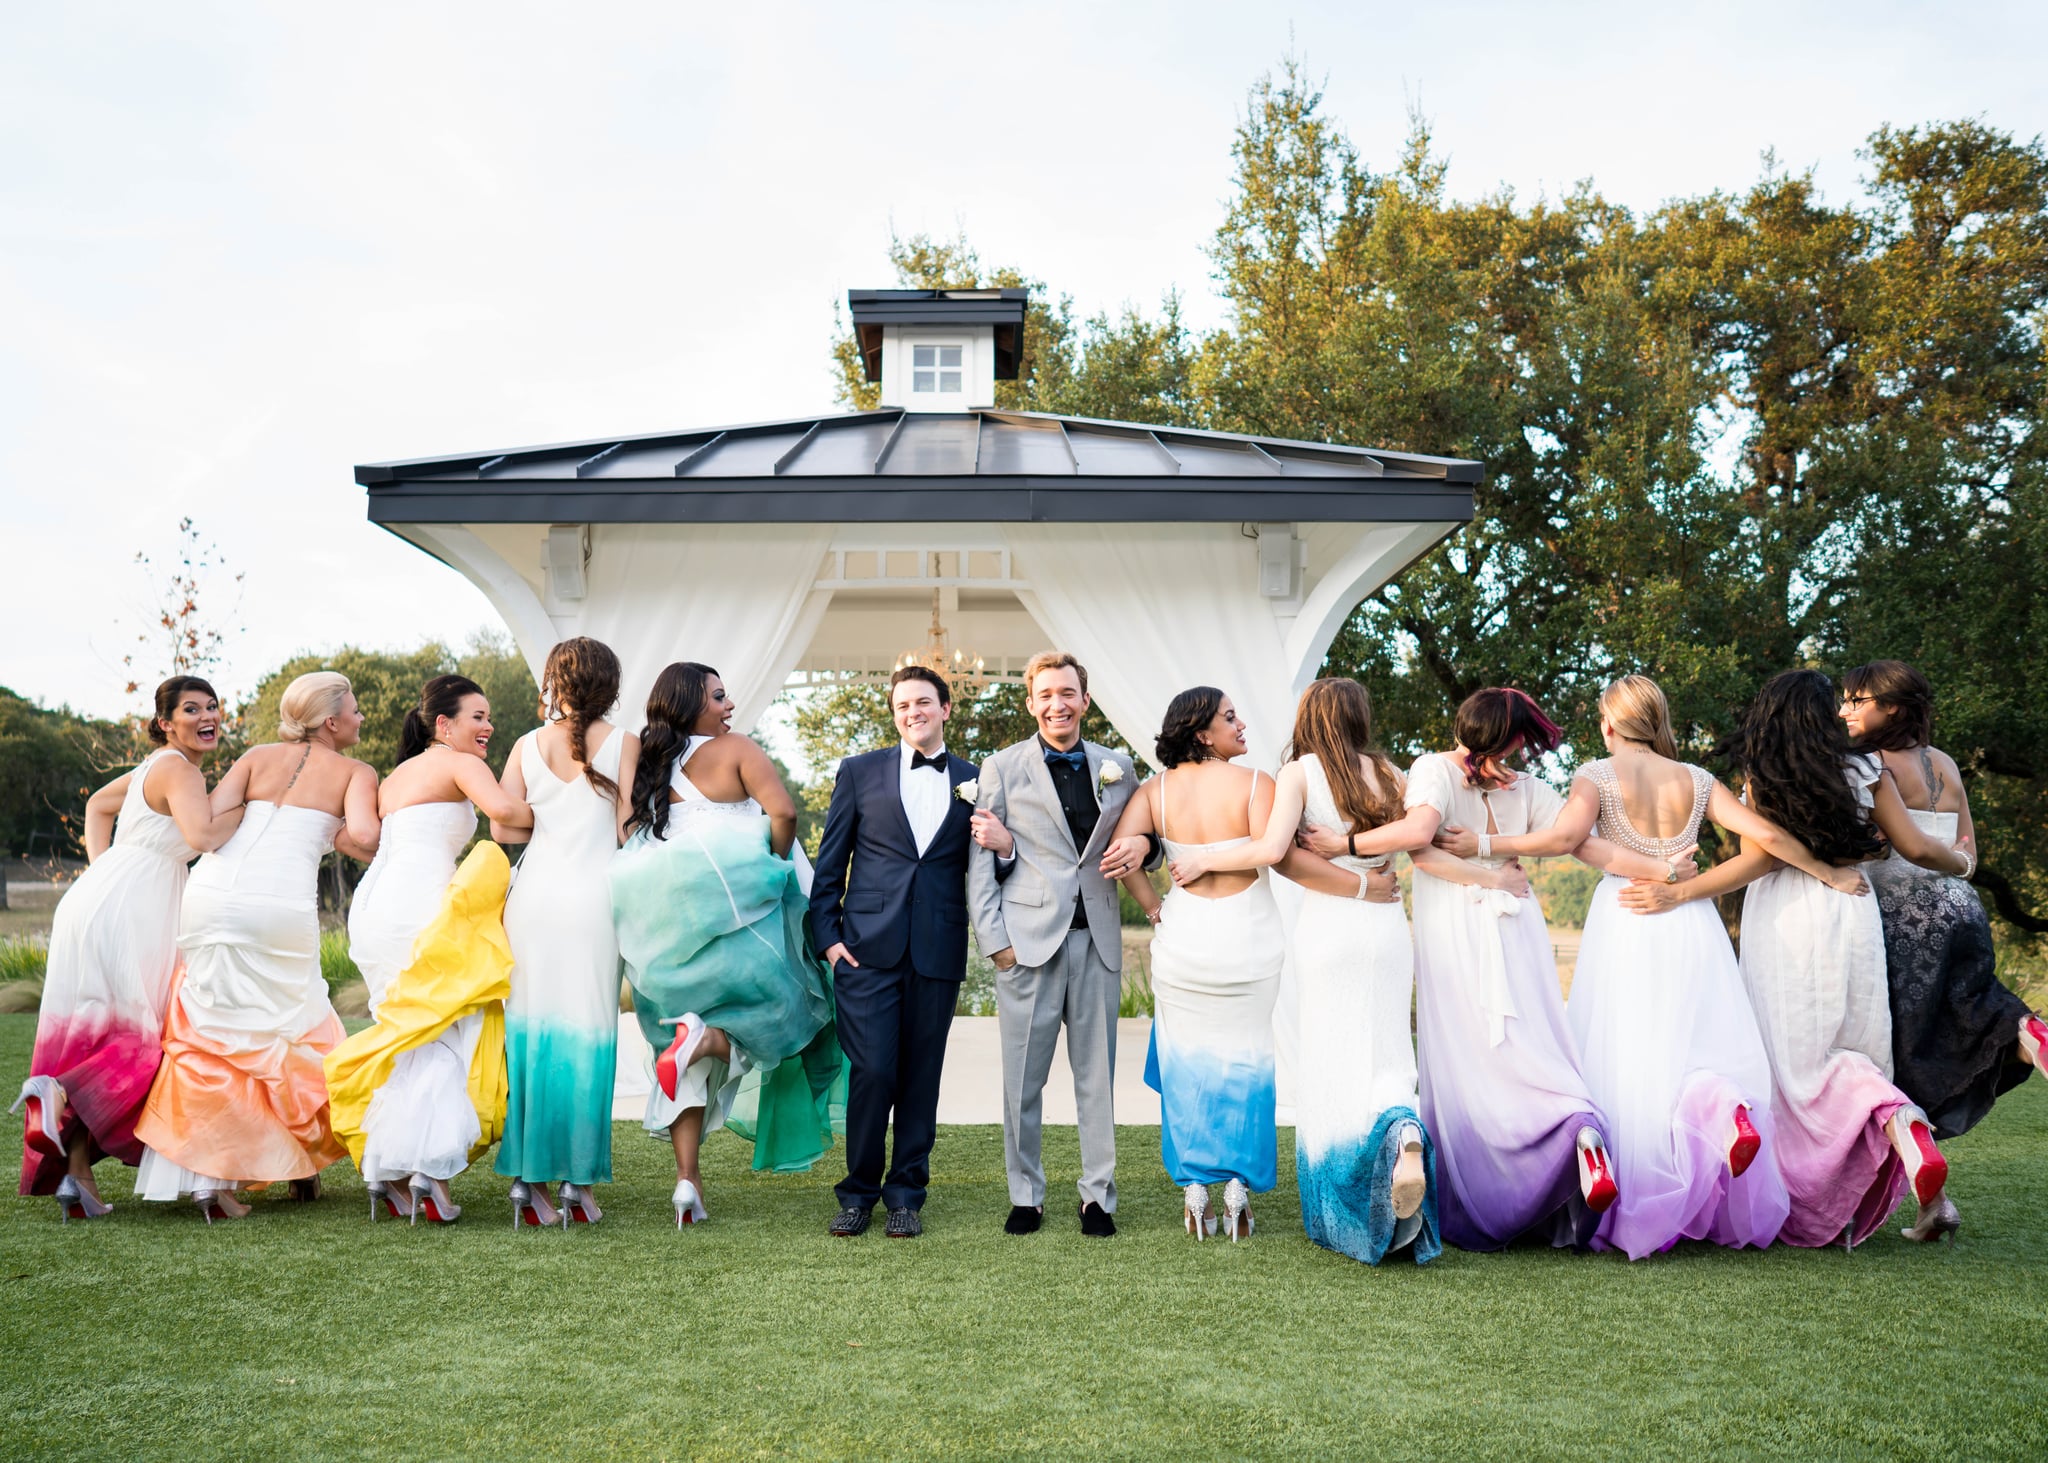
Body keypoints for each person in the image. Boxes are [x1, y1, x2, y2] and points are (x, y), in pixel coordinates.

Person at [1432, 676, 1807, 1258]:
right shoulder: (1699, 780)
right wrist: (1827, 871)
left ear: (1609, 724)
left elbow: (1564, 838)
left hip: (1626, 915)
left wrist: (1481, 845)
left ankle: (1628, 1196)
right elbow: (1765, 838)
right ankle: (1726, 1111)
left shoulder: (1598, 774)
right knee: (1693, 1044)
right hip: (1692, 921)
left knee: (1629, 1054)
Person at [1620, 669, 1974, 1246]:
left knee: (1791, 1067)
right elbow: (1912, 846)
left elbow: (1760, 861)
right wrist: (1961, 864)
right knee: (1852, 1046)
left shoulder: (1764, 777)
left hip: (1785, 921)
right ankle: (1900, 1121)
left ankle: (1815, 1192)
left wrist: (1680, 891)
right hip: (1852, 909)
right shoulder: (1867, 770)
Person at [1333, 688, 1626, 1251]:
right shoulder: (1532, 788)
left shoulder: (1433, 771)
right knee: (1531, 1042)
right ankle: (1577, 1128)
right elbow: (1568, 840)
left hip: (1459, 926)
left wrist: (1485, 867)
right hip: (1519, 923)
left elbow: (1422, 854)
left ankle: (1484, 1194)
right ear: (1515, 738)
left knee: (1467, 1059)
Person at [1162, 678, 1440, 1263]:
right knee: (1388, 1048)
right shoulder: (1390, 775)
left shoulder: (1297, 774)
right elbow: (1421, 837)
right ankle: (1404, 1132)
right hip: (1388, 924)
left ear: (1310, 718)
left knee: (1331, 1058)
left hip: (1330, 925)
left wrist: (1203, 856)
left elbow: (1270, 850)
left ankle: (1346, 1208)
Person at [134, 671, 380, 1220]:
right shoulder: (356, 772)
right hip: (277, 908)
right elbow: (365, 838)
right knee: (292, 1029)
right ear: (332, 721)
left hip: (211, 897)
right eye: (357, 710)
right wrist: (331, 829)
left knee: (213, 1037)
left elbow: (211, 819)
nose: (361, 719)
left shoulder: (255, 756)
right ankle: (300, 1164)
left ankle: (209, 1180)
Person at [611, 662, 844, 1229]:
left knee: (680, 1051)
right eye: (718, 696)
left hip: (667, 926)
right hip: (744, 918)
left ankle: (686, 1182)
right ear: (692, 703)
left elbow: (626, 836)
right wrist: (771, 860)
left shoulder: (648, 764)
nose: (729, 705)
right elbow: (783, 812)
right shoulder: (735, 749)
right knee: (786, 1020)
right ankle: (707, 1038)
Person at [13, 677, 243, 1219]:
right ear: (166, 722)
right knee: (145, 1035)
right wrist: (251, 803)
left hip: (100, 898)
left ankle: (78, 1177)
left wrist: (104, 874)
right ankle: (63, 1092)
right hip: (138, 903)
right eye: (191, 709)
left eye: (212, 706)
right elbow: (205, 837)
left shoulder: (152, 767)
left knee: (94, 1031)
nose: (207, 716)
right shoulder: (179, 769)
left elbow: (96, 806)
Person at [1842, 660, 2047, 1238]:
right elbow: (1968, 852)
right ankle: (2028, 1032)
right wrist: (1956, 870)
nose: (1846, 711)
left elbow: (1882, 848)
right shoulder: (1946, 764)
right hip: (1960, 906)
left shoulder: (1870, 765)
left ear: (1894, 708)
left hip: (1902, 918)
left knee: (1901, 1056)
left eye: (1860, 702)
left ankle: (1929, 1197)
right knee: (1972, 1007)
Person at [326, 675, 532, 1224]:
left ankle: (387, 1170)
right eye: (477, 717)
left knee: (410, 1037)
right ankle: (430, 1174)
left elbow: (359, 840)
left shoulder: (396, 776)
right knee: (449, 1031)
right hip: (420, 905)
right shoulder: (459, 762)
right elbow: (506, 815)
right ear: (443, 724)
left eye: (489, 717)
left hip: (374, 910)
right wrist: (572, 818)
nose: (487, 727)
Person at [965, 651, 1140, 1238]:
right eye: (1045, 694)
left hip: (1098, 941)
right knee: (1023, 1081)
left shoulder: (1119, 767)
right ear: (1031, 702)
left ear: (1084, 701)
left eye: (1067, 692)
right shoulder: (1001, 768)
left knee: (1097, 1077)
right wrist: (997, 947)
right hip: (1027, 946)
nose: (1056, 704)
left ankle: (1097, 1197)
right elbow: (980, 867)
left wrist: (1146, 851)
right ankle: (1026, 1194)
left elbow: (1143, 837)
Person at [809, 664, 980, 1239]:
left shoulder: (976, 778)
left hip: (937, 948)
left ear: (945, 708)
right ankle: (858, 1192)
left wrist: (1003, 850)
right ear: (895, 712)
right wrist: (828, 941)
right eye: (903, 705)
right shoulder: (859, 772)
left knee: (920, 1078)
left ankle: (906, 1195)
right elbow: (829, 863)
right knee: (874, 1072)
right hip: (865, 952)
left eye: (924, 703)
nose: (914, 713)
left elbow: (987, 865)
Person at [490, 638, 635, 1227]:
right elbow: (627, 832)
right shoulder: (625, 742)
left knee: (530, 1038)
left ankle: (529, 1182)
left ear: (555, 681)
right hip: (594, 903)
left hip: (532, 903)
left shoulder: (526, 744)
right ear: (608, 683)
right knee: (590, 1036)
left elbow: (504, 830)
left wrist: (543, 816)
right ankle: (578, 1183)